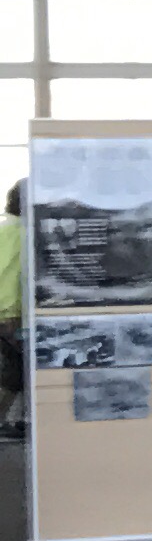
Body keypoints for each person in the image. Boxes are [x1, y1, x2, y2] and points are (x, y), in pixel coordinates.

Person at [0, 180, 25, 444]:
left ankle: (14, 420)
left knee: (14, 367)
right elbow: (11, 275)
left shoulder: (5, 227)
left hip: (6, 310)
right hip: (10, 312)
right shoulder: (21, 232)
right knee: (16, 371)